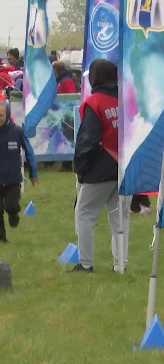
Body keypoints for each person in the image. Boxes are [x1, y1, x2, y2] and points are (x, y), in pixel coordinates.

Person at [71, 59, 128, 273]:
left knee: (84, 214)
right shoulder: (125, 100)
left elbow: (88, 141)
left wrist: (81, 170)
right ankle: (120, 264)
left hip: (99, 169)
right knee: (120, 219)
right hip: (123, 168)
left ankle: (86, 263)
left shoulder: (94, 103)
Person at [0, 101, 38, 243]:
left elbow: (29, 152)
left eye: (0, 116)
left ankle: (14, 215)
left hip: (12, 179)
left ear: (8, 115)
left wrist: (33, 172)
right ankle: (0, 237)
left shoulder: (17, 132)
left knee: (11, 206)